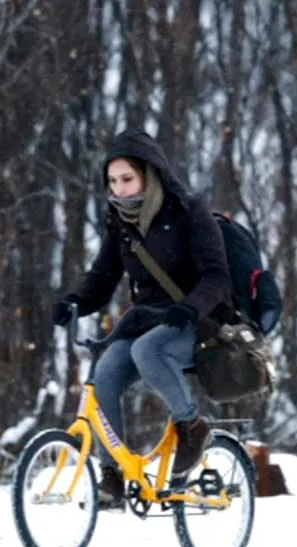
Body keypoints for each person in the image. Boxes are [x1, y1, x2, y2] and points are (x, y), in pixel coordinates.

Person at [51, 128, 233, 511]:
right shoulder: (121, 221)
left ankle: (191, 427)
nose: (120, 189)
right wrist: (75, 302)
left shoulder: (188, 211)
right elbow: (104, 275)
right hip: (148, 318)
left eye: (127, 179)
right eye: (113, 182)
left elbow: (217, 275)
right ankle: (114, 474)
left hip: (198, 320)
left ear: (150, 175)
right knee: (106, 373)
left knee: (148, 351)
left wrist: (190, 307)